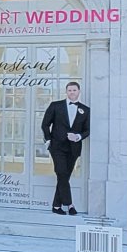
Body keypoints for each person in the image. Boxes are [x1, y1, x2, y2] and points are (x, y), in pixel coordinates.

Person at [42, 82, 90, 215]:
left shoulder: (85, 110)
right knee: (62, 173)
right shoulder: (55, 106)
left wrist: (79, 136)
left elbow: (88, 130)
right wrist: (49, 140)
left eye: (74, 90)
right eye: (69, 90)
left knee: (64, 176)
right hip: (57, 147)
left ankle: (56, 206)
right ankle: (69, 204)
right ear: (66, 92)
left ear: (79, 91)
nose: (72, 92)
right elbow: (45, 124)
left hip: (73, 148)